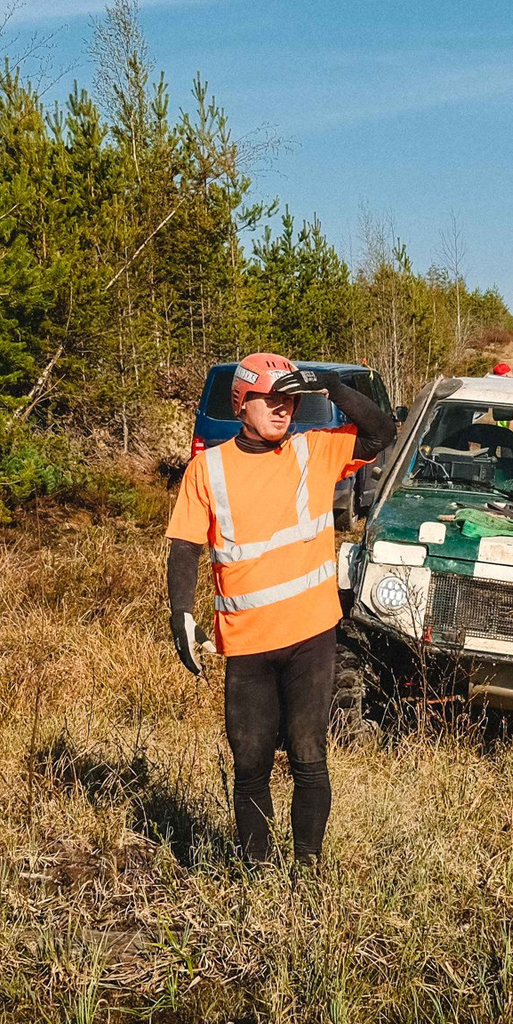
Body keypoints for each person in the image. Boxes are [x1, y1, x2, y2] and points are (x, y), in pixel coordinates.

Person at [166, 354, 397, 865]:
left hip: (311, 637)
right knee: (250, 764)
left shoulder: (314, 449)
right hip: (247, 643)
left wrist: (331, 385)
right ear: (241, 403)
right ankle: (257, 871)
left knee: (308, 756)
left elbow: (382, 432)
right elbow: (184, 546)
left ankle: (308, 868)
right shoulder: (208, 469)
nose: (282, 408)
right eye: (269, 398)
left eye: (289, 399)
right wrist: (181, 613)